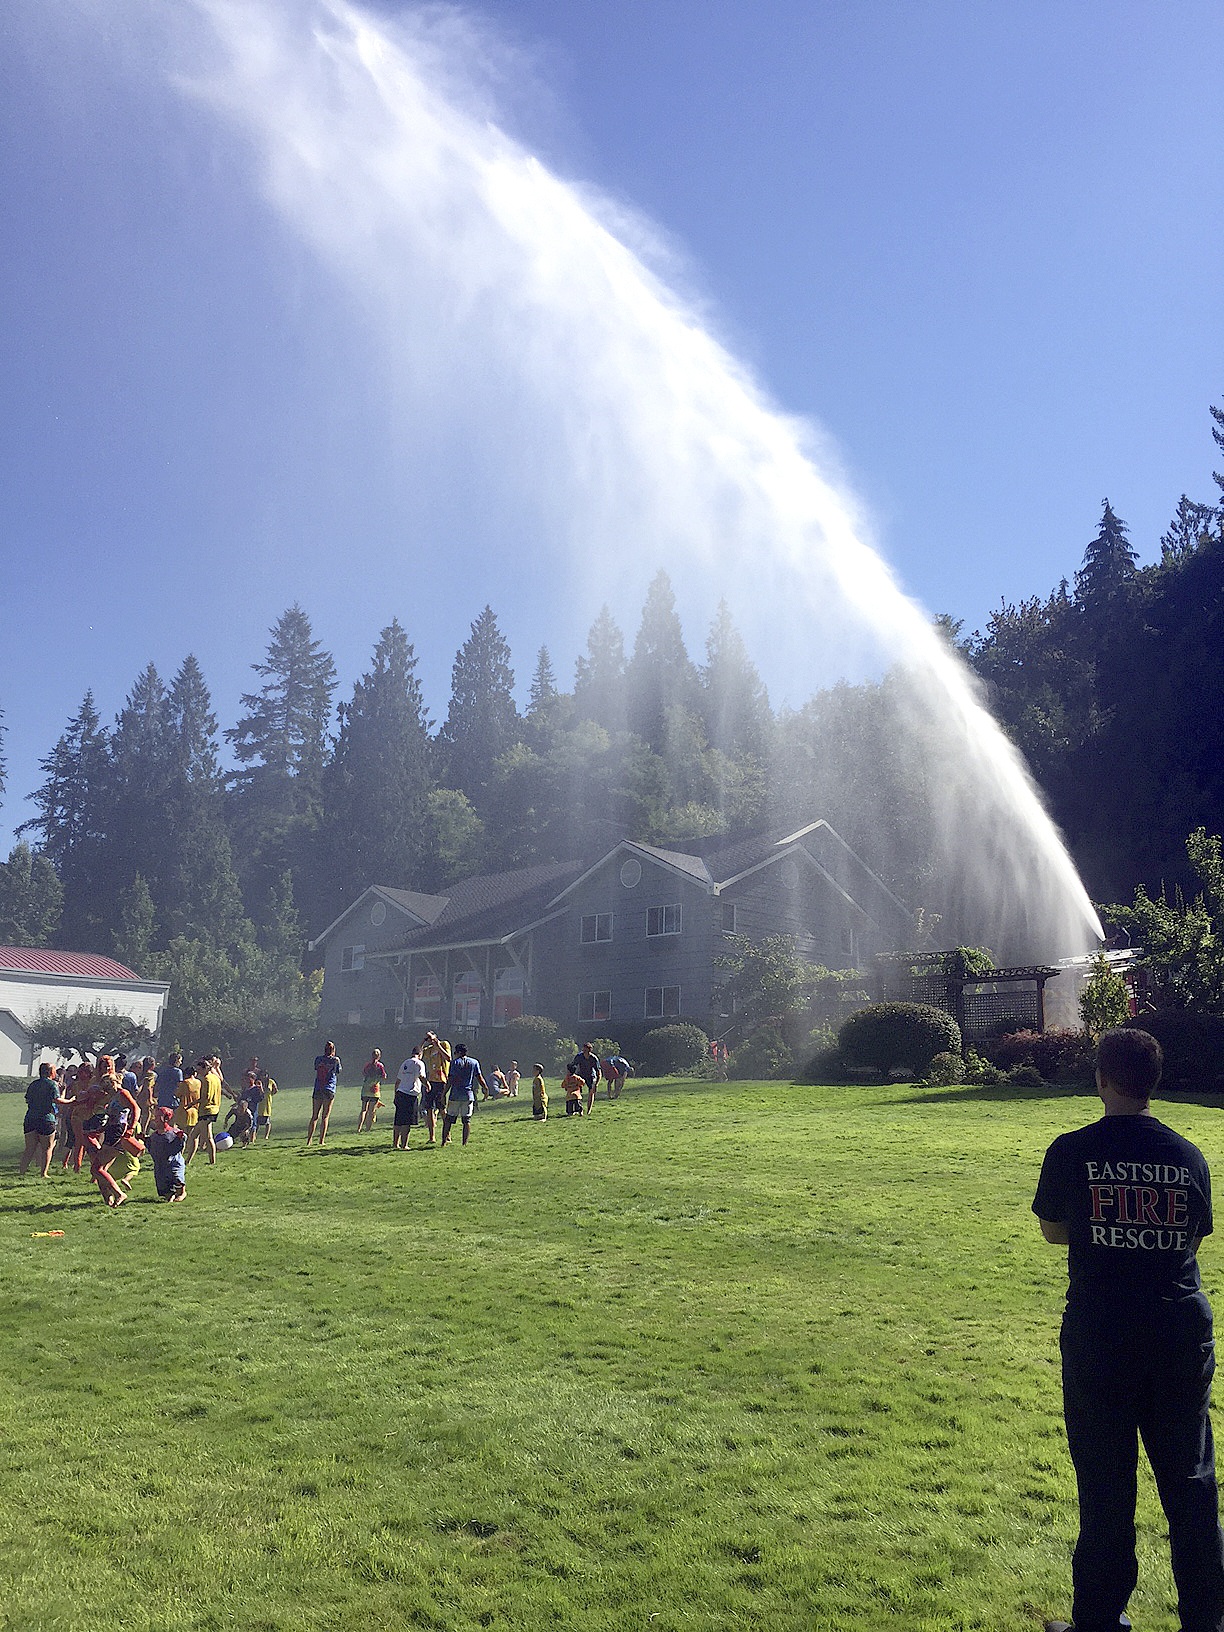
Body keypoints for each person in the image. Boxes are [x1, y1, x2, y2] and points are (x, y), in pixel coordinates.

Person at [1034, 1027, 1224, 1632]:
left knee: (1106, 1488)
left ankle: (1099, 1620)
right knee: (1190, 1485)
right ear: (1152, 1083)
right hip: (1177, 1333)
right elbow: (1194, 1235)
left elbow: (1055, 1230)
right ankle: (1206, 1619)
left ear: (1101, 1079)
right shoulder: (1187, 1155)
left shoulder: (1071, 1150)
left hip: (1101, 1338)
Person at [19, 1064, 74, 1177]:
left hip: (30, 1118)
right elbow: (57, 1100)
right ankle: (43, 1173)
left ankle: (22, 1171)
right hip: (46, 1118)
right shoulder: (52, 1084)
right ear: (50, 1072)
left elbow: (27, 1099)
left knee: (29, 1148)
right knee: (47, 1148)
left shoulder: (34, 1084)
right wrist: (70, 1101)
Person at [441, 1044, 487, 1147]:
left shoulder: (454, 1063)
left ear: (459, 1052)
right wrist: (485, 1088)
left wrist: (444, 1093)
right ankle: (464, 1143)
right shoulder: (474, 1062)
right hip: (468, 1095)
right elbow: (480, 1077)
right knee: (466, 1120)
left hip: (455, 1095)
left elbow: (450, 1080)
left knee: (448, 1119)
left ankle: (444, 1142)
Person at [147, 1106, 187, 1201]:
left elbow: (181, 1142)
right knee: (164, 1188)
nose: (155, 1119)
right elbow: (151, 1147)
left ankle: (182, 1193)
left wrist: (180, 1138)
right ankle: (170, 1194)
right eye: (155, 1116)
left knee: (177, 1178)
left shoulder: (173, 1132)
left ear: (166, 1118)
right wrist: (144, 1139)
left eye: (158, 1117)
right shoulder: (154, 1135)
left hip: (173, 1163)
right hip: (160, 1166)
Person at [306, 1041, 342, 1147]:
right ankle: (321, 1141)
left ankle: (309, 1140)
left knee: (314, 1116)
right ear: (333, 1050)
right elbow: (338, 1071)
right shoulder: (336, 1060)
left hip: (318, 1088)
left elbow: (316, 1068)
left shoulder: (318, 1059)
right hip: (329, 1088)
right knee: (325, 1116)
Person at [420, 1032, 452, 1146]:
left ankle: (447, 1134)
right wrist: (423, 1042)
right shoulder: (428, 1050)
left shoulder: (444, 1044)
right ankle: (432, 1136)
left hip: (441, 1080)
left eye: (430, 1037)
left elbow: (448, 1058)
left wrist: (437, 1044)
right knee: (429, 1109)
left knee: (442, 1109)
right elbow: (418, 1056)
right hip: (430, 1081)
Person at [393, 1047, 425, 1150]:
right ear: (420, 1054)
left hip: (400, 1093)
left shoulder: (405, 1063)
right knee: (407, 1121)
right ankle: (404, 1145)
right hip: (410, 1095)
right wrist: (428, 1085)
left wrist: (395, 1094)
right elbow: (421, 1077)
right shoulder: (419, 1063)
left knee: (398, 1120)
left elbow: (398, 1080)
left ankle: (395, 1143)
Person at [195, 1055, 225, 1165]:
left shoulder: (206, 1079)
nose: (198, 1073)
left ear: (205, 1069)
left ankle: (212, 1161)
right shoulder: (216, 1078)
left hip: (207, 1110)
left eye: (199, 1070)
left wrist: (192, 1103)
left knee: (208, 1137)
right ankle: (187, 1160)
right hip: (214, 1108)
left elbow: (205, 1097)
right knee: (194, 1135)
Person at [358, 1049, 387, 1131]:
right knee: (371, 1111)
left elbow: (363, 1073)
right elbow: (384, 1076)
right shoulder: (380, 1066)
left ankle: (359, 1128)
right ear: (379, 1056)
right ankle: (368, 1128)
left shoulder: (367, 1065)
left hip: (366, 1089)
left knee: (363, 1109)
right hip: (374, 1090)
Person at [569, 1042, 602, 1115]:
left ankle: (588, 1110)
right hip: (581, 1074)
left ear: (590, 1051)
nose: (584, 1052)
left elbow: (598, 1072)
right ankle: (579, 1109)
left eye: (586, 1051)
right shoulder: (579, 1056)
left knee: (591, 1092)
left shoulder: (593, 1058)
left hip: (591, 1075)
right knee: (577, 1092)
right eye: (583, 1050)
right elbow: (573, 1065)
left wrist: (596, 1084)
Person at [256, 1070, 277, 1140]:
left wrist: (270, 1094)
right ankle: (254, 1135)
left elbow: (275, 1089)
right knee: (257, 1120)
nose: (263, 1076)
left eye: (265, 1075)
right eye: (262, 1075)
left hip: (267, 1102)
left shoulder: (270, 1081)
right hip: (259, 1102)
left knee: (267, 1120)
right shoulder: (258, 1082)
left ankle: (266, 1136)